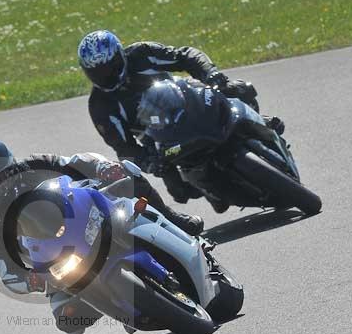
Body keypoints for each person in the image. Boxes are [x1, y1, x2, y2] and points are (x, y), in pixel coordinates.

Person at [0, 140, 203, 334]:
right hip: (57, 263)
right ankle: (122, 305)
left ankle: (175, 220)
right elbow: (7, 272)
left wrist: (103, 168)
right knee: (69, 319)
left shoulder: (34, 166)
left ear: (11, 171)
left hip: (89, 219)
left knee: (131, 177)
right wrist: (30, 280)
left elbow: (76, 163)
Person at [78, 29, 284, 206]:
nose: (106, 77)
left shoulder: (141, 54)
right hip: (156, 136)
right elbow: (123, 146)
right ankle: (210, 188)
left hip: (183, 98)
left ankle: (261, 122)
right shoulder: (100, 105)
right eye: (97, 73)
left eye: (109, 68)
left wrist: (210, 73)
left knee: (237, 89)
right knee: (180, 192)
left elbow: (185, 55)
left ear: (120, 55)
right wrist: (147, 161)